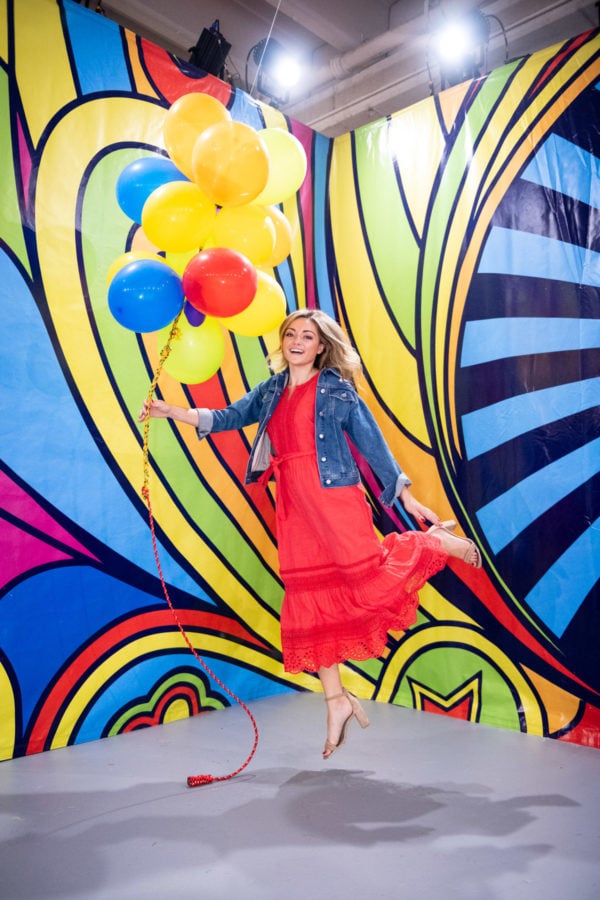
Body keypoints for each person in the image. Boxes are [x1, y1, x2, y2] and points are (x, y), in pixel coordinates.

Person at [139, 308, 482, 759]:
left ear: (321, 346)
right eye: (291, 334)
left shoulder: (336, 389)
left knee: (368, 577)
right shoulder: (272, 390)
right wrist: (172, 412)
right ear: (281, 343)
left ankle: (435, 542)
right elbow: (227, 416)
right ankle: (336, 700)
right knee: (308, 601)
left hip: (334, 497)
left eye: (308, 336)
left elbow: (372, 442)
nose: (298, 341)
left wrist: (406, 498)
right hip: (294, 505)